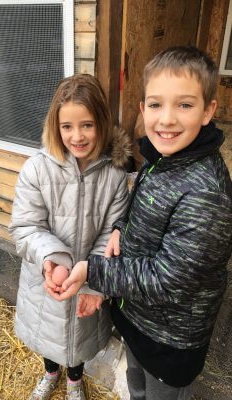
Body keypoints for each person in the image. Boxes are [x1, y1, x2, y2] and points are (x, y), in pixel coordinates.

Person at [47, 46, 232, 400]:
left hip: (170, 342)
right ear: (143, 108)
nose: (166, 120)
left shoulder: (206, 193)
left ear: (208, 110)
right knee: (136, 388)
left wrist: (93, 272)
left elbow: (167, 280)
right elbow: (139, 202)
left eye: (185, 105)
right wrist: (119, 226)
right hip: (139, 324)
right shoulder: (162, 158)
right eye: (156, 104)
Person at [9, 74, 131, 400]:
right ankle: (50, 373)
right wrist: (52, 258)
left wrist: (93, 282)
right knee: (48, 335)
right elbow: (25, 227)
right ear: (56, 126)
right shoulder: (37, 169)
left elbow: (112, 231)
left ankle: (74, 381)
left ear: (102, 122)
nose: (77, 136)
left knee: (78, 340)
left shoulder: (115, 174)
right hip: (47, 278)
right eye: (67, 127)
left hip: (90, 277)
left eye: (87, 125)